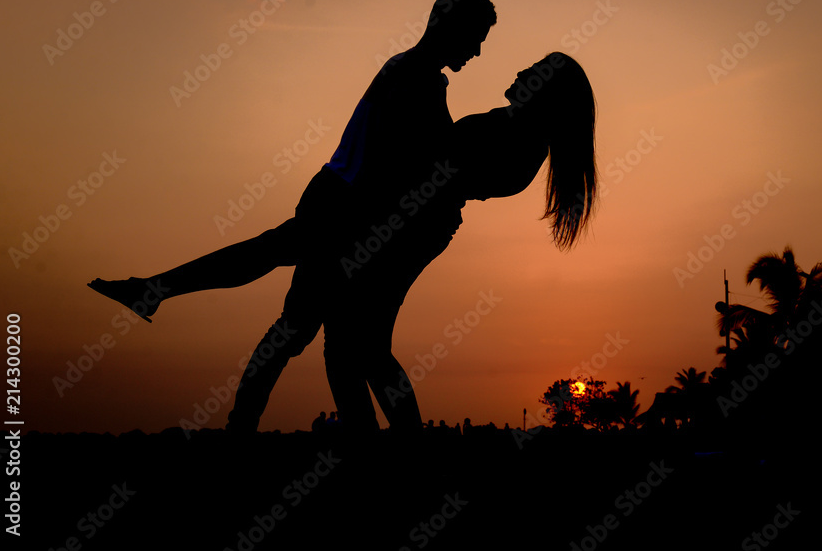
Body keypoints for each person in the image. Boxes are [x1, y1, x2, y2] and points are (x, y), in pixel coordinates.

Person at [91, 50, 597, 435]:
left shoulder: (517, 143)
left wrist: (429, 99)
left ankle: (160, 297)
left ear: (548, 94)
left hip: (400, 227)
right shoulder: (513, 131)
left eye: (535, 72)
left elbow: (437, 162)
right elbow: (433, 155)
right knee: (345, 338)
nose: (521, 71)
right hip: (391, 218)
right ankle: (375, 448)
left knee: (336, 330)